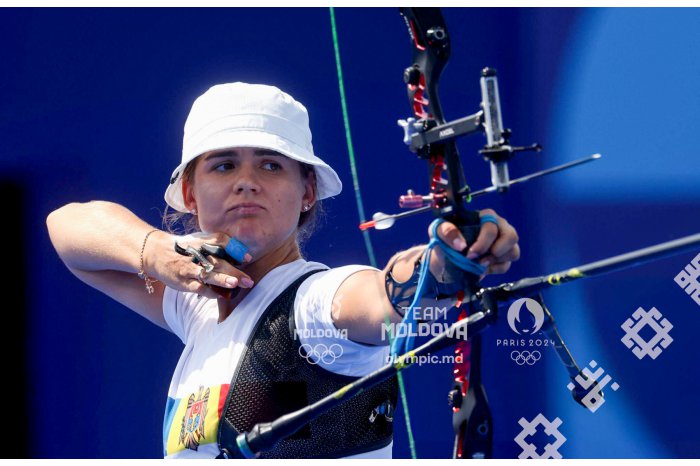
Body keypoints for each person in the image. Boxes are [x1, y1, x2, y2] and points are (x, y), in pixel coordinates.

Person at [46, 82, 520, 459]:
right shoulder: (194, 302)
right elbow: (68, 228)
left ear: (307, 191)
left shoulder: (314, 304)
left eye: (271, 166)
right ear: (191, 194)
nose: (246, 182)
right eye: (224, 165)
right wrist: (155, 252)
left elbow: (378, 295)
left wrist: (445, 258)